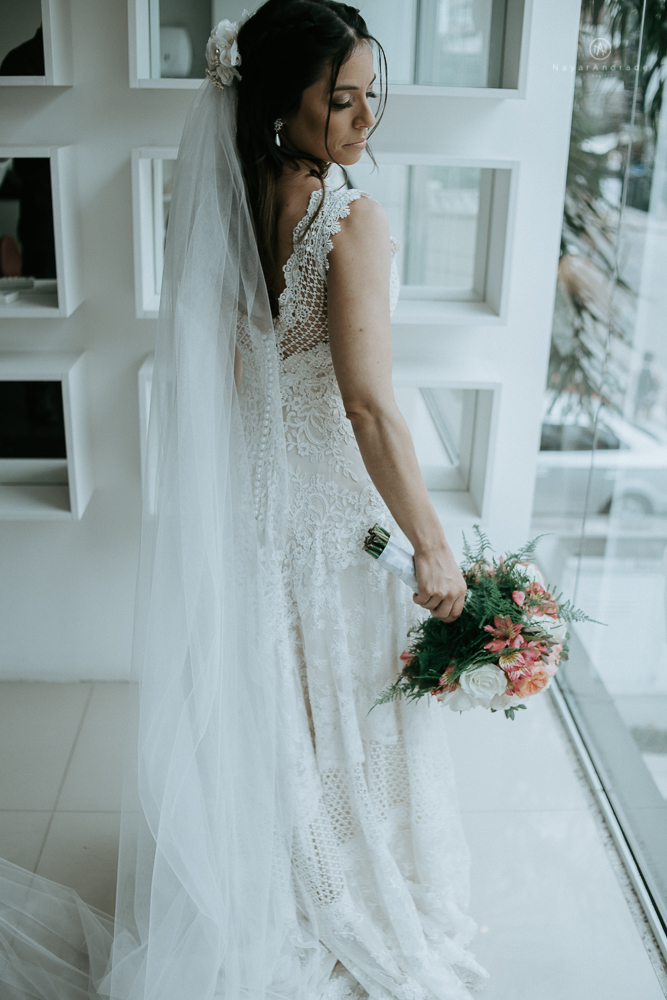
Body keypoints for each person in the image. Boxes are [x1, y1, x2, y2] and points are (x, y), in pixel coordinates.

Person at [0, 3, 488, 998]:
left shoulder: (223, 192)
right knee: (345, 711)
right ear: (281, 104)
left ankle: (273, 873)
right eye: (340, 102)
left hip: (257, 507)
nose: (364, 123)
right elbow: (366, 406)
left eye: (370, 96)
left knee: (276, 706)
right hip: (332, 515)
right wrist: (431, 544)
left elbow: (227, 374)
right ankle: (341, 885)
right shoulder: (348, 219)